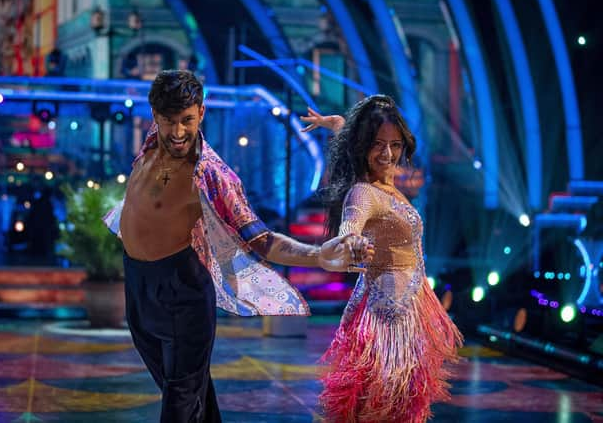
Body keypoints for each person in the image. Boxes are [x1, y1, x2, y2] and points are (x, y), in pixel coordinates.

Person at [102, 70, 373, 423]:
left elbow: (262, 239)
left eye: (187, 120)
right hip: (138, 284)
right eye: (169, 121)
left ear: (201, 112)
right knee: (191, 396)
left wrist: (316, 255)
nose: (178, 132)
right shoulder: (155, 141)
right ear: (155, 117)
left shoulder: (211, 173)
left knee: (180, 401)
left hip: (181, 293)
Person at [301, 96, 463, 422]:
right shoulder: (364, 193)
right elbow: (350, 226)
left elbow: (352, 133)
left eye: (395, 144)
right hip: (388, 317)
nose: (388, 154)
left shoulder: (387, 186)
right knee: (383, 403)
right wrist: (353, 241)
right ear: (363, 146)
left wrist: (335, 123)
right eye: (377, 145)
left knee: (403, 402)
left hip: (408, 309)